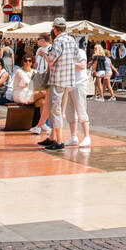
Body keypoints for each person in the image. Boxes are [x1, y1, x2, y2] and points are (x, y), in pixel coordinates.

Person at [42, 19, 83, 151]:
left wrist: (45, 55)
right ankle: (53, 137)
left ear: (55, 29)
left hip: (57, 79)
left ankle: (59, 141)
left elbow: (51, 60)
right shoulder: (71, 40)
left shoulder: (58, 41)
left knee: (55, 109)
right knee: (59, 108)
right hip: (68, 79)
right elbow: (77, 56)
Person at [31, 34, 53, 136]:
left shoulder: (51, 48)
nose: (37, 41)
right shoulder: (38, 49)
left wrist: (44, 55)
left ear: (43, 40)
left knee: (45, 98)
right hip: (39, 75)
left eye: (38, 39)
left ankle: (43, 124)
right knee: (42, 101)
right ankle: (42, 124)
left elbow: (51, 63)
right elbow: (36, 62)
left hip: (46, 76)